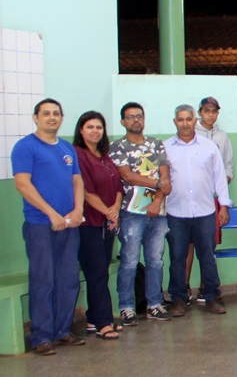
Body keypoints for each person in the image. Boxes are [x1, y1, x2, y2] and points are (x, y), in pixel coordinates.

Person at [13, 99, 85, 355]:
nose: (52, 117)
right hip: (41, 225)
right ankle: (41, 336)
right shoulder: (25, 147)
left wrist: (78, 210)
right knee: (44, 280)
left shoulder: (66, 148)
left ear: (61, 118)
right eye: (46, 113)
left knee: (68, 279)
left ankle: (62, 330)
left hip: (69, 225)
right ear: (36, 118)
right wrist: (51, 213)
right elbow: (23, 184)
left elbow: (77, 182)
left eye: (56, 113)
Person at [163, 105, 232, 317]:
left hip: (205, 211)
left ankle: (211, 297)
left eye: (188, 119)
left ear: (195, 121)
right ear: (175, 122)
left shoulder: (209, 147)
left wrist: (223, 206)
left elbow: (220, 178)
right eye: (180, 119)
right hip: (176, 212)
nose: (185, 123)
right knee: (177, 258)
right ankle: (178, 299)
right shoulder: (165, 148)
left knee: (207, 256)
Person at [110, 102, 173, 326]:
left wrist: (156, 201)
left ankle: (154, 304)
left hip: (158, 212)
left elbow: (166, 178)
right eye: (130, 117)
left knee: (156, 260)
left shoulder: (156, 144)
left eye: (139, 116)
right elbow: (127, 176)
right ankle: (127, 308)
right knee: (129, 261)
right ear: (122, 121)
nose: (135, 120)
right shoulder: (117, 146)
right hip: (131, 213)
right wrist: (157, 183)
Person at [72, 111, 122, 341]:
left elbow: (118, 186)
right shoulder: (78, 155)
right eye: (90, 127)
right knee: (96, 272)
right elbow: (85, 191)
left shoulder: (104, 155)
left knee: (101, 270)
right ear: (81, 130)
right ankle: (103, 322)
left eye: (99, 127)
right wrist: (107, 211)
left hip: (107, 223)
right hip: (89, 224)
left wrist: (115, 209)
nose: (95, 131)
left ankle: (94, 318)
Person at [189, 96, 233, 301]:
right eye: (207, 111)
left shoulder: (222, 137)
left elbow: (228, 166)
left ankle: (205, 288)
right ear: (200, 113)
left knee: (208, 245)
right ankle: (184, 289)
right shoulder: (191, 134)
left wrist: (223, 181)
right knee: (188, 245)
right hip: (192, 200)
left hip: (213, 200)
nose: (211, 115)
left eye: (214, 111)